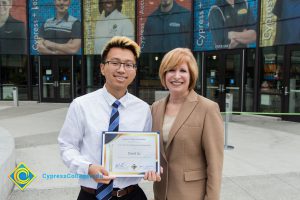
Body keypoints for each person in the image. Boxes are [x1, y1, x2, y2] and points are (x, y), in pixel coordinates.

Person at [58, 36, 161, 200]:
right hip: (91, 195)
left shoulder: (143, 109)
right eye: (115, 63)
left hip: (131, 195)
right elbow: (67, 146)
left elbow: (145, 151)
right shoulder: (81, 105)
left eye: (128, 65)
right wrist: (88, 167)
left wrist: (151, 167)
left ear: (134, 71)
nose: (121, 69)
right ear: (102, 68)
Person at [151, 48, 224, 200]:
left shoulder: (207, 108)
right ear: (164, 75)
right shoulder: (155, 108)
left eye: (183, 70)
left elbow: (215, 164)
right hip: (161, 193)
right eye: (171, 70)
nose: (176, 76)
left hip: (192, 194)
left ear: (191, 76)